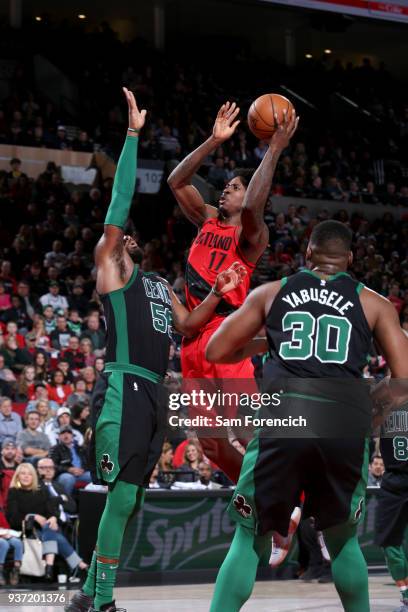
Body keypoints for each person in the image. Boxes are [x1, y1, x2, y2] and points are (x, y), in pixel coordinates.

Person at [66, 88, 247, 612]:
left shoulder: (158, 284)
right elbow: (120, 206)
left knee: (136, 496)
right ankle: (98, 599)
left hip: (155, 394)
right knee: (122, 496)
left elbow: (190, 323)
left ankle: (88, 595)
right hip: (123, 384)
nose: (131, 238)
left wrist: (217, 290)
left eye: (131, 237)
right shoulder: (113, 267)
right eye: (125, 237)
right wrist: (131, 136)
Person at [206, 220, 408, 612]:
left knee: (250, 536)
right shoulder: (375, 303)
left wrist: (267, 342)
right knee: (342, 539)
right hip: (342, 422)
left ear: (308, 253)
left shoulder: (273, 292)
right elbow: (403, 381)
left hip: (285, 416)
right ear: (350, 259)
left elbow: (216, 350)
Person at [168, 101, 298, 482]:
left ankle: (292, 503)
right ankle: (263, 502)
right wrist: (213, 140)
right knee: (210, 445)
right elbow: (177, 181)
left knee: (247, 433)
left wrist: (273, 149)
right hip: (193, 341)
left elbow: (256, 207)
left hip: (227, 335)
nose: (226, 189)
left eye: (235, 187)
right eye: (226, 186)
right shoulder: (207, 219)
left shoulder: (252, 236)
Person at [6, 463, 87, 582]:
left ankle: (50, 566)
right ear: (17, 476)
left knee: (49, 527)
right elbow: (13, 519)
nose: (26, 476)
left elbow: (49, 510)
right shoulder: (13, 492)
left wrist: (53, 518)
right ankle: (80, 565)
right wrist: (33, 517)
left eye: (29, 474)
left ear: (34, 476)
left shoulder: (40, 491)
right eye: (23, 473)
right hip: (26, 529)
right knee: (55, 536)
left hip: (43, 529)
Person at [375, 406, 408, 612]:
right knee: (388, 541)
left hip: (394, 480)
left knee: (389, 543)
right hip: (393, 481)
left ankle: (406, 595)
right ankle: (406, 596)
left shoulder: (383, 399)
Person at [49, 426, 91, 495]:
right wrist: (69, 469)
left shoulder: (81, 448)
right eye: (63, 433)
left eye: (69, 433)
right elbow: (52, 465)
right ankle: (65, 503)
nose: (66, 435)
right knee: (68, 478)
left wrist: (83, 469)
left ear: (72, 436)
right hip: (64, 474)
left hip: (81, 473)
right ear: (59, 437)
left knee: (94, 476)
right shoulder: (55, 449)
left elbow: (89, 463)